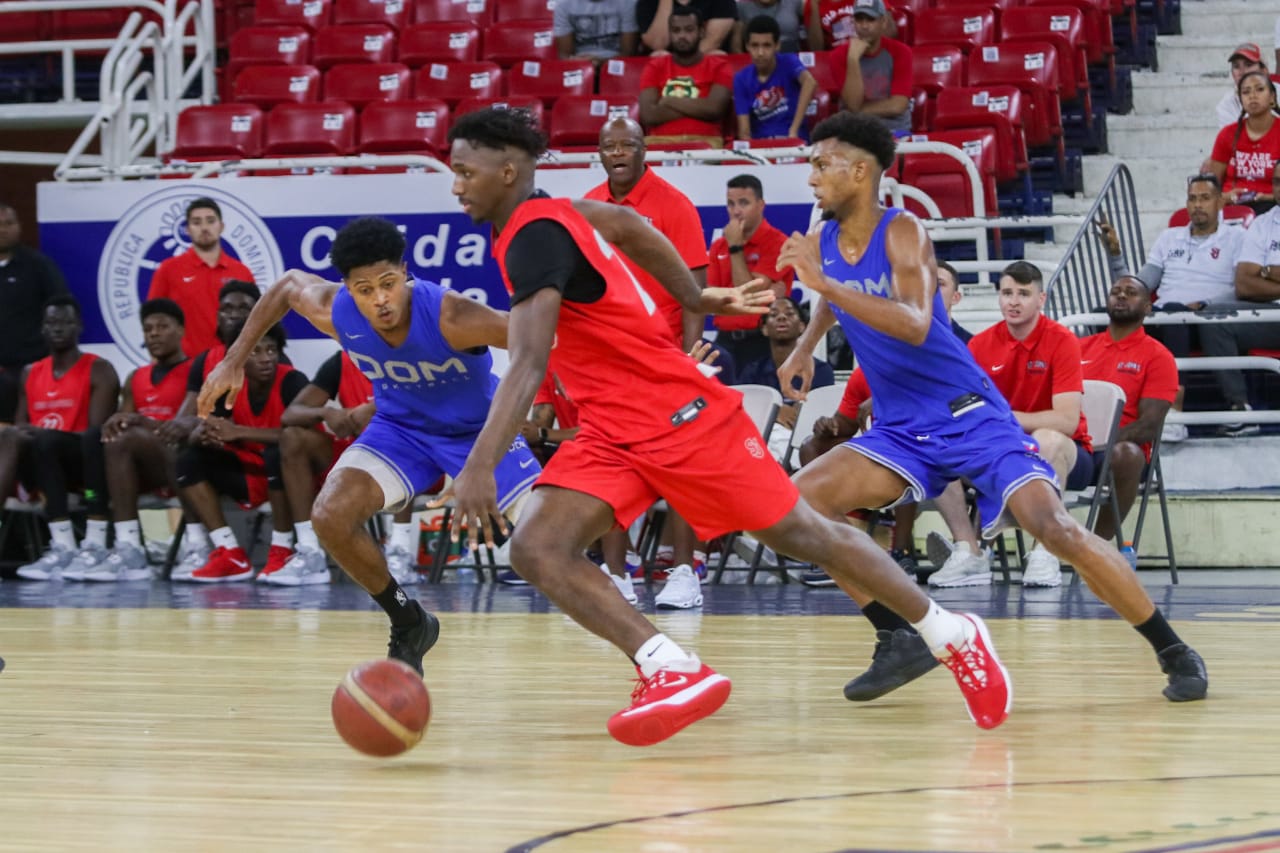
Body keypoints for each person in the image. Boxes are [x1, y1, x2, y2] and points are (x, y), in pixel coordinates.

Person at [443, 105, 1013, 744]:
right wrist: (695, 296)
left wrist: (479, 466)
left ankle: (949, 632)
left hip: (679, 417)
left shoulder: (533, 236)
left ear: (509, 169)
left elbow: (524, 361)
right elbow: (627, 225)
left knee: (803, 533)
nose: (458, 185)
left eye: (466, 171)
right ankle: (670, 666)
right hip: (613, 427)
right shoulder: (565, 214)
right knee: (537, 545)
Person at [776, 111, 1206, 706]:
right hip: (902, 427)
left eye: (822, 164)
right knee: (795, 505)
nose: (813, 176)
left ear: (859, 170)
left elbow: (913, 320)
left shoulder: (904, 232)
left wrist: (822, 286)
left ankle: (1172, 649)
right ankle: (898, 635)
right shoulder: (825, 240)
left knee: (1053, 528)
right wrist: (804, 344)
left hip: (966, 414)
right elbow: (835, 302)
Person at [197, 216, 542, 674]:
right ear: (348, 289)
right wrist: (232, 361)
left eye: (388, 283)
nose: (380, 299)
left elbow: (539, 341)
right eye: (364, 289)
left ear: (405, 272)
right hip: (401, 428)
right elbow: (285, 286)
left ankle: (651, 657)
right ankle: (409, 619)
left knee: (547, 549)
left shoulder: (451, 315)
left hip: (477, 434)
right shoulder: (335, 310)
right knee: (330, 514)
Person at [585, 115, 713, 595]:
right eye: (609, 145)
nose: (617, 153)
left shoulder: (674, 206)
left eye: (627, 144)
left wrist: (691, 359)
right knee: (611, 460)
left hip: (664, 356)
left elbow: (694, 291)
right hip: (608, 356)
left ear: (644, 150)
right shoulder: (589, 207)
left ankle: (684, 572)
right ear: (599, 152)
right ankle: (617, 575)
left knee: (678, 462)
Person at [962, 261, 1095, 588]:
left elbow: (1066, 420)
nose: (1014, 301)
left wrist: (1011, 420)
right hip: (1004, 448)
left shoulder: (1062, 341)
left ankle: (1045, 552)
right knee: (944, 447)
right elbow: (968, 410)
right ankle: (969, 552)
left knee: (1046, 439)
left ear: (1041, 299)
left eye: (1023, 293)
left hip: (1070, 454)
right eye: (1007, 293)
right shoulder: (979, 345)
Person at [165, 279, 292, 580]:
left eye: (244, 308)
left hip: (280, 468)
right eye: (227, 308)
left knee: (284, 451)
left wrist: (233, 432)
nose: (234, 315)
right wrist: (202, 432)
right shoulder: (208, 362)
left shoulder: (281, 369)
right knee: (186, 456)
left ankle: (287, 548)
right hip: (244, 463)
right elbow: (205, 420)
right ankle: (225, 552)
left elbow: (295, 434)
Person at [1101, 174, 1246, 437]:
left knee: (1174, 314)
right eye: (1192, 199)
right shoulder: (1169, 237)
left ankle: (1175, 415)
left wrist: (1206, 304)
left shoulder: (1236, 237)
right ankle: (1105, 406)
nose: (1197, 205)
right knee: (1105, 314)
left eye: (1205, 198)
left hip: (1207, 319)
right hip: (1163, 315)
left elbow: (1242, 288)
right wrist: (1115, 255)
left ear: (1220, 202)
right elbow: (1140, 286)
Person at [269, 350, 420, 587]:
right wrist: (326, 412)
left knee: (403, 438)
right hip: (359, 455)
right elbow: (290, 414)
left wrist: (375, 417)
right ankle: (310, 552)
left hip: (417, 458)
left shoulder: (413, 358)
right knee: (292, 438)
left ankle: (399, 552)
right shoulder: (342, 361)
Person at [69, 298, 194, 581]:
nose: (154, 333)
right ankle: (121, 545)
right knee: (105, 436)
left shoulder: (195, 371)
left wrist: (143, 423)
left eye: (163, 326)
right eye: (148, 328)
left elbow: (186, 428)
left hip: (180, 461)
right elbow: (122, 423)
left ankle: (129, 544)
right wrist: (122, 421)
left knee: (125, 439)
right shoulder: (135, 377)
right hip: (138, 467)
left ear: (181, 330)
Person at [5, 296, 120, 580]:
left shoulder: (99, 369)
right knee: (12, 436)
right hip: (38, 465)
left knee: (50, 441)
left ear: (78, 326)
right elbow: (21, 429)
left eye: (65, 322)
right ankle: (62, 546)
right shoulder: (31, 372)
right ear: (42, 328)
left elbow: (95, 437)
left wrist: (44, 434)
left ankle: (74, 544)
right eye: (51, 323)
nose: (58, 329)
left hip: (83, 466)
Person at [1079, 275, 1178, 547]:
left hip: (1118, 454)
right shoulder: (1079, 348)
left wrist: (1101, 443)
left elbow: (1149, 425)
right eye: (1116, 291)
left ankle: (1092, 547)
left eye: (1131, 292)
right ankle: (982, 550)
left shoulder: (1158, 356)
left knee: (1128, 454)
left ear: (1147, 307)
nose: (1121, 296)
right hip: (1076, 448)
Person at [146, 197, 255, 357]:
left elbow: (255, 320)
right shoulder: (168, 270)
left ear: (221, 226)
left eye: (210, 221)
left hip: (231, 363)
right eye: (197, 222)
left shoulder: (241, 272)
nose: (204, 227)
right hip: (184, 366)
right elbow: (153, 319)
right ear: (188, 229)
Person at [707, 173, 796, 367]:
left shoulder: (778, 243)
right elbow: (711, 300)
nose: (736, 211)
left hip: (762, 340)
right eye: (730, 204)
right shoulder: (717, 247)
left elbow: (746, 290)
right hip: (724, 339)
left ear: (761, 205)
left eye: (743, 203)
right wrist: (760, 292)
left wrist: (735, 248)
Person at [0, 202, 68, 424]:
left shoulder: (38, 265)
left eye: (9, 223)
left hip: (32, 366)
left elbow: (62, 307)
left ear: (19, 226)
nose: (3, 229)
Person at [737, 296, 835, 437]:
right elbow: (743, 408)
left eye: (789, 313)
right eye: (773, 314)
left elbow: (820, 412)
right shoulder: (752, 371)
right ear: (764, 329)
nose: (782, 317)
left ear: (802, 326)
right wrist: (776, 411)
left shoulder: (821, 370)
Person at [638, 7, 734, 144]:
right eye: (676, 30)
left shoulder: (720, 66)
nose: (682, 36)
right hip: (659, 142)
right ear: (670, 33)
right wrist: (700, 108)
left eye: (689, 30)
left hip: (706, 143)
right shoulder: (654, 67)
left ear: (701, 32)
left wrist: (669, 101)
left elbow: (715, 109)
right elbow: (648, 115)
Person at [829, 0, 912, 136]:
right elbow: (853, 103)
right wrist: (853, 59)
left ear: (883, 22)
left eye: (871, 19)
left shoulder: (901, 52)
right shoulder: (838, 56)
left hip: (894, 129)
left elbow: (898, 105)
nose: (864, 26)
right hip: (855, 130)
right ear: (853, 22)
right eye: (859, 20)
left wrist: (853, 113)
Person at [734, 15, 817, 143]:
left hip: (793, 140)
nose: (760, 52)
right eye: (755, 45)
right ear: (747, 46)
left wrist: (793, 131)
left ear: (777, 45)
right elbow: (744, 132)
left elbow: (810, 82)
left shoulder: (789, 62)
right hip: (762, 146)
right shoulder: (741, 78)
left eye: (767, 45)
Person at [1207, 70, 1280, 215]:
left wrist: (1269, 197)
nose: (1253, 96)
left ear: (1272, 97)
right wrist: (1225, 197)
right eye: (1246, 92)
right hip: (1233, 208)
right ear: (1240, 100)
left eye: (1260, 89)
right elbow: (1211, 186)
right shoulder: (1227, 134)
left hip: (1274, 207)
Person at [637, 0, 737, 55]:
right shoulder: (647, 2)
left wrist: (682, 64)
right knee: (659, 55)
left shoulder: (723, 2)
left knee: (716, 54)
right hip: (665, 67)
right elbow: (658, 44)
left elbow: (711, 42)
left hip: (703, 60)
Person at [553, 0, 638, 62]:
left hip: (616, 63)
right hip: (580, 63)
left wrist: (603, 62)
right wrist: (582, 63)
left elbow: (629, 53)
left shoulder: (629, 2)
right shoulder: (562, 4)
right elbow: (565, 55)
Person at [1215, 43, 1269, 129]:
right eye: (1236, 66)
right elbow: (1232, 140)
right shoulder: (1227, 105)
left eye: (1248, 65)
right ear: (1233, 74)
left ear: (1263, 71)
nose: (1242, 72)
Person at [736, 0, 804, 54]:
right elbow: (737, 47)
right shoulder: (742, 6)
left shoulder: (795, 2)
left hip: (791, 53)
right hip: (757, 57)